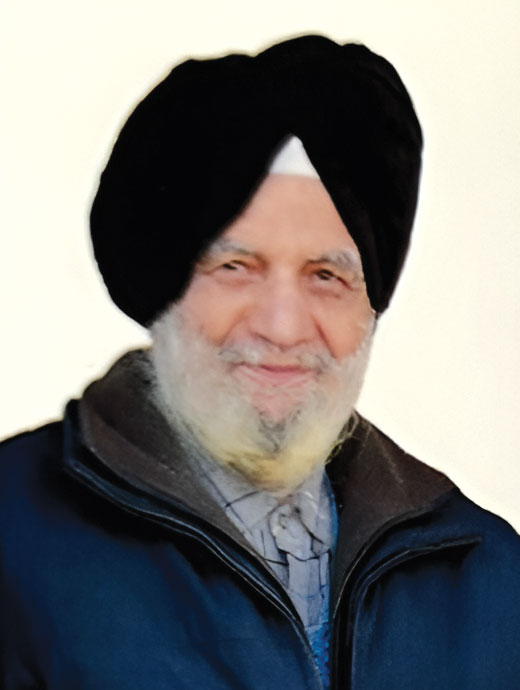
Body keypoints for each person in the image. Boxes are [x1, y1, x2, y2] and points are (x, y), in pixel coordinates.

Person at [1, 34, 519, 690]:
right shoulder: (15, 539)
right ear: (163, 289)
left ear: (370, 304)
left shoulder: (485, 573)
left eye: (327, 276)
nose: (282, 327)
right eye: (236, 267)